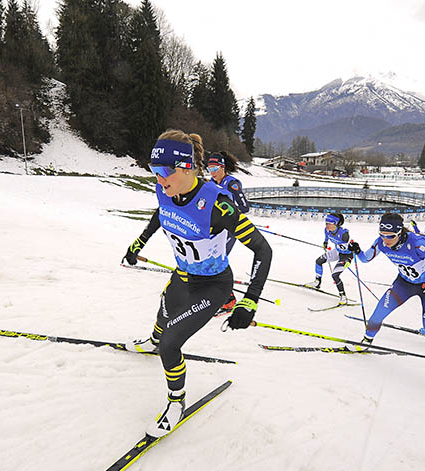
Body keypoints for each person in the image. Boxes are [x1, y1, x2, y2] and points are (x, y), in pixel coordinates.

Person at [126, 129, 272, 438]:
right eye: (153, 171)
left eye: (164, 171)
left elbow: (262, 248)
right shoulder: (163, 190)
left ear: (187, 167)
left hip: (212, 286)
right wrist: (137, 245)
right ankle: (151, 343)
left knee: (171, 342)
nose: (158, 178)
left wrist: (250, 300)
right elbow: (160, 215)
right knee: (161, 317)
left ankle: (175, 403)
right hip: (183, 275)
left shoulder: (218, 206)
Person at [348, 213, 425, 393]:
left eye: (390, 236)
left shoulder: (419, 244)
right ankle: (366, 342)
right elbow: (365, 258)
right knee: (377, 314)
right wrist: (357, 251)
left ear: (400, 232)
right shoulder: (381, 242)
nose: (385, 240)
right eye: (382, 235)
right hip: (404, 284)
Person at [207, 152, 250, 315]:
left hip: (230, 229)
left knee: (217, 260)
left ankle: (229, 300)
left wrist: (228, 209)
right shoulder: (210, 183)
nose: (212, 171)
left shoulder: (232, 184)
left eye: (215, 168)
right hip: (216, 228)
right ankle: (216, 293)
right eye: (210, 168)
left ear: (223, 167)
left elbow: (244, 207)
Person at [305, 212, 354, 304]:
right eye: (326, 223)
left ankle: (343, 295)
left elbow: (350, 245)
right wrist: (325, 243)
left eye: (329, 224)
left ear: (336, 224)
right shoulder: (327, 230)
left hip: (346, 256)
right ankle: (317, 282)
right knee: (318, 261)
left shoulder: (344, 234)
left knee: (335, 275)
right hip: (337, 251)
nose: (327, 225)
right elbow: (326, 237)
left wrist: (352, 249)